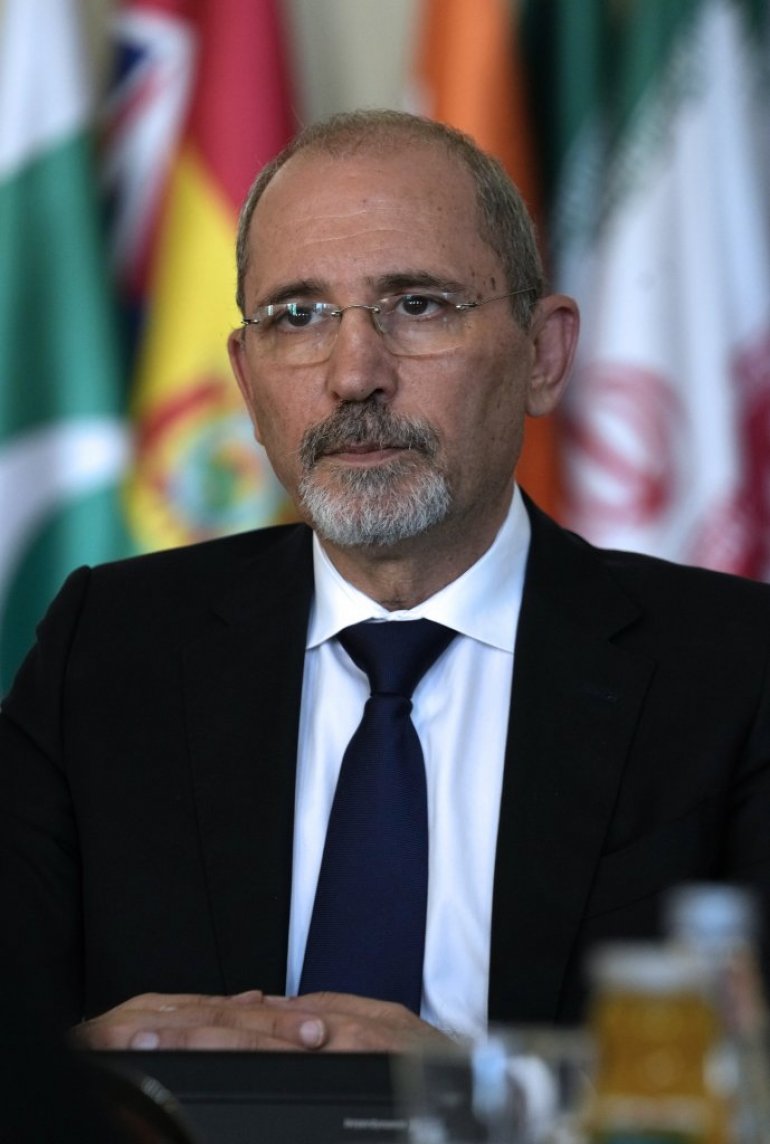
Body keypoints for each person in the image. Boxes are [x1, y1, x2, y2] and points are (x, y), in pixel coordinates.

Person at [2, 109, 770, 1056]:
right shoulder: (108, 646)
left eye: (418, 306)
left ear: (544, 354)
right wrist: (81, 1073)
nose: (354, 375)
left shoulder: (734, 670)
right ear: (247, 381)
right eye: (298, 317)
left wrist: (473, 1089)